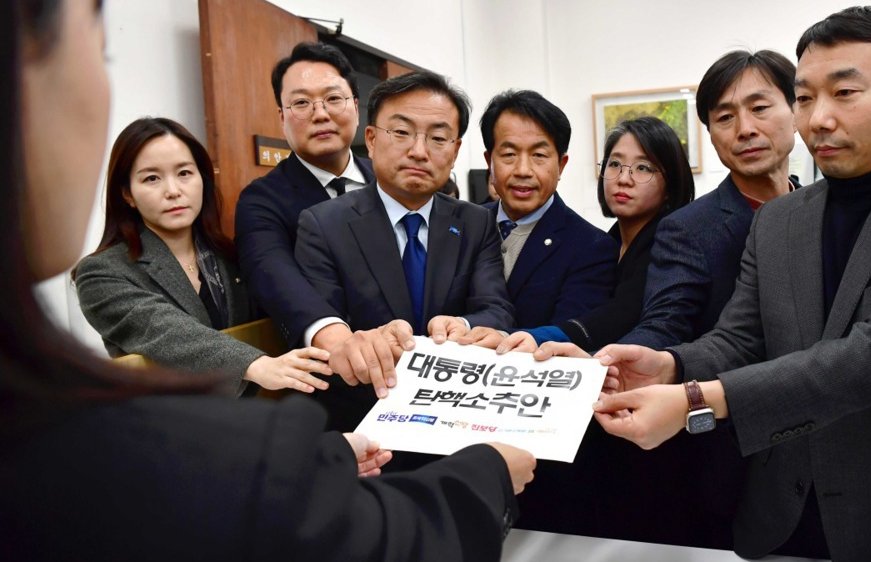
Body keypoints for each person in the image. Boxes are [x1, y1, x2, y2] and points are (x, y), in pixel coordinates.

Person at [1, 2, 535, 560]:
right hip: (311, 420)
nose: (174, 190)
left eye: (185, 174)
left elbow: (491, 301)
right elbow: (278, 286)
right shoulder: (279, 210)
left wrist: (470, 330)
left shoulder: (222, 254)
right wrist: (327, 339)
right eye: (301, 102)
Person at [578, 6, 871, 560]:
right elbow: (740, 337)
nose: (818, 118)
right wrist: (671, 365)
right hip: (778, 509)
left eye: (844, 93)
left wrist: (695, 399)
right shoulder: (780, 219)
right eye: (804, 97)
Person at [294, 70, 515, 432]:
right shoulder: (323, 224)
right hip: (363, 422)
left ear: (455, 151)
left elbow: (496, 309)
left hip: (456, 418)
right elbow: (324, 328)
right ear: (371, 139)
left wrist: (463, 325)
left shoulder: (475, 222)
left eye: (438, 138)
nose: (418, 151)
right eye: (401, 132)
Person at [75, 117, 331, 396]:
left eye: (184, 173)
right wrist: (254, 364)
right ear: (127, 194)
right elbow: (162, 330)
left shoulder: (232, 258)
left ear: (202, 179)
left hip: (257, 414)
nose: (173, 191)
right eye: (151, 178)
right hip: (170, 420)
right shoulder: (101, 273)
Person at [619, 49, 799, 350]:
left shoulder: (823, 207)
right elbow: (663, 324)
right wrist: (612, 361)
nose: (745, 129)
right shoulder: (686, 229)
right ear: (711, 135)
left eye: (759, 108)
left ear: (797, 113)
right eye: (725, 117)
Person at [495, 116, 694, 353]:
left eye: (643, 168)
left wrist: (540, 337)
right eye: (615, 164)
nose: (623, 179)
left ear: (671, 184)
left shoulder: (672, 241)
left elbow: (623, 313)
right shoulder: (610, 241)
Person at [235, 42, 376, 349]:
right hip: (335, 362)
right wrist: (336, 340)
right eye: (301, 103)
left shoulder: (389, 180)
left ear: (355, 106)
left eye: (333, 98)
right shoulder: (261, 201)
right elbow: (273, 274)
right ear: (282, 117)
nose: (320, 114)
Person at [479, 90, 617, 330]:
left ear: (561, 165)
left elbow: (566, 334)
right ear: (489, 161)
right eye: (509, 154)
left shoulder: (592, 248)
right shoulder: (466, 226)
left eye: (539, 155)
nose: (523, 170)